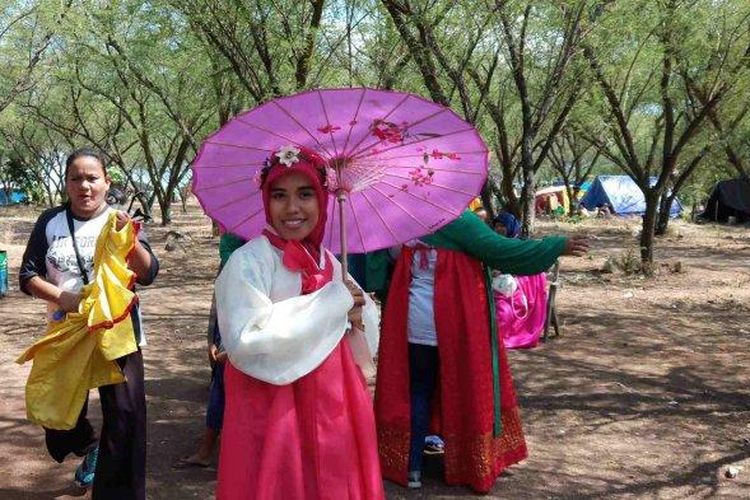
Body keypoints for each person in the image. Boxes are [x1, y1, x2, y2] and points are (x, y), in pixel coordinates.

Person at [213, 146, 384, 499]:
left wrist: (357, 314)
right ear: (265, 201)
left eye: (305, 194)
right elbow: (245, 337)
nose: (292, 208)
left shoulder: (328, 260)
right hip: (273, 402)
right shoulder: (249, 262)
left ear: (323, 200)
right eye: (279, 196)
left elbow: (363, 328)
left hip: (334, 401)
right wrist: (331, 303)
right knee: (278, 481)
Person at [375, 209, 588, 493]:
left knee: (418, 391)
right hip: (456, 326)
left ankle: (411, 466)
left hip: (413, 323)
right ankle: (467, 463)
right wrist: (554, 245)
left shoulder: (402, 221)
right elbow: (502, 250)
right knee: (464, 391)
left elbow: (387, 264)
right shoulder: (457, 220)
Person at [18, 148, 159, 499]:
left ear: (106, 182)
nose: (84, 186)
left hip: (117, 331)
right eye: (76, 178)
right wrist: (63, 298)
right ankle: (88, 444)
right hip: (66, 331)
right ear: (66, 183)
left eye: (92, 178)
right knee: (54, 413)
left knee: (125, 416)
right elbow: (27, 275)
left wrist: (132, 237)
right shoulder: (50, 221)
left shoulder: (117, 220)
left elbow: (149, 273)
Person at [173, 232, 245, 469]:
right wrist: (212, 338)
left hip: (253, 340)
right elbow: (220, 298)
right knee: (221, 388)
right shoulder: (233, 246)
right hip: (228, 333)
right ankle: (207, 451)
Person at [491, 212, 549, 350]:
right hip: (501, 285)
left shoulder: (520, 246)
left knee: (503, 310)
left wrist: (509, 273)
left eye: (502, 226)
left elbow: (530, 270)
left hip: (521, 288)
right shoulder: (495, 245)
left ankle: (504, 337)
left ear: (510, 227)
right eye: (497, 226)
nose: (499, 229)